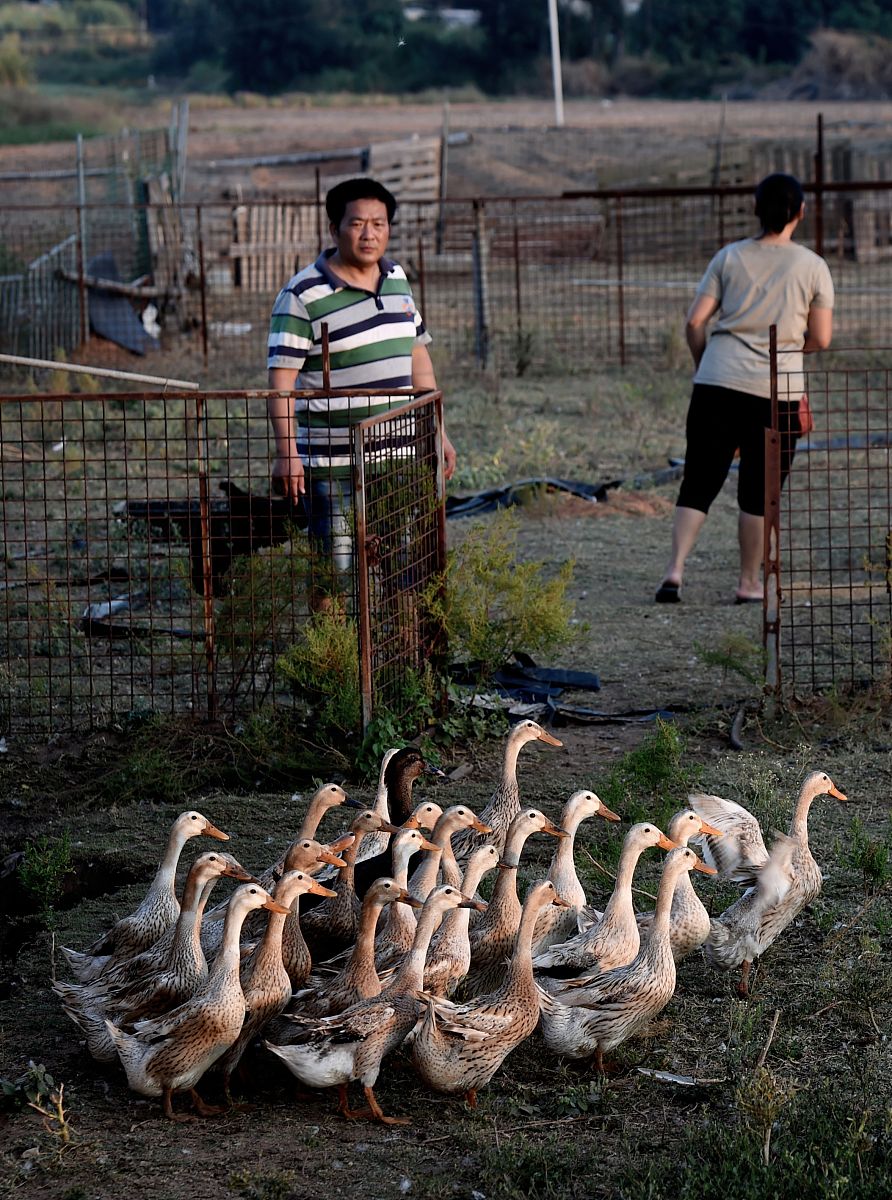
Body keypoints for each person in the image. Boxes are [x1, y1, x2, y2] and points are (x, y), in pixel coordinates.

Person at [266, 177, 456, 601]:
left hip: (396, 458)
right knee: (333, 570)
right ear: (334, 229)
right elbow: (281, 379)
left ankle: (395, 659)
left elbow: (417, 356)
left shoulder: (397, 279)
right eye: (357, 224)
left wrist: (437, 430)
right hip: (332, 464)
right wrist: (287, 454)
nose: (369, 234)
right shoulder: (302, 295)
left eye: (379, 223)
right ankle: (332, 662)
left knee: (402, 568)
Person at [655, 172, 834, 606]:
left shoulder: (729, 257)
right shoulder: (813, 266)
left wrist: (706, 367)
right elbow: (823, 339)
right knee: (759, 491)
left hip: (716, 382)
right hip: (777, 389)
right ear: (801, 212)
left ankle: (675, 570)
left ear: (755, 209)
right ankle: (748, 582)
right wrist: (791, 347)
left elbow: (695, 321)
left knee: (699, 480)